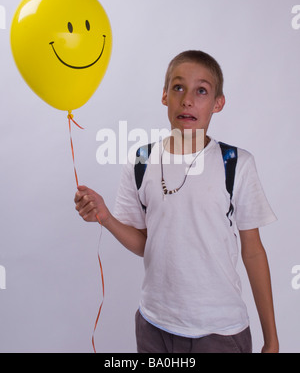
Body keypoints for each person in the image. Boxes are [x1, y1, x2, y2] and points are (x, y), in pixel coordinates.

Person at [74, 50, 279, 353]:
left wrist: (271, 339)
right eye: (178, 87)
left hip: (219, 332)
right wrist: (106, 217)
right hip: (154, 325)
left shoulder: (235, 163)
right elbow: (148, 243)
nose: (187, 100)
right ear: (164, 96)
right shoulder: (141, 160)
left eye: (201, 91)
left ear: (217, 103)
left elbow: (253, 252)